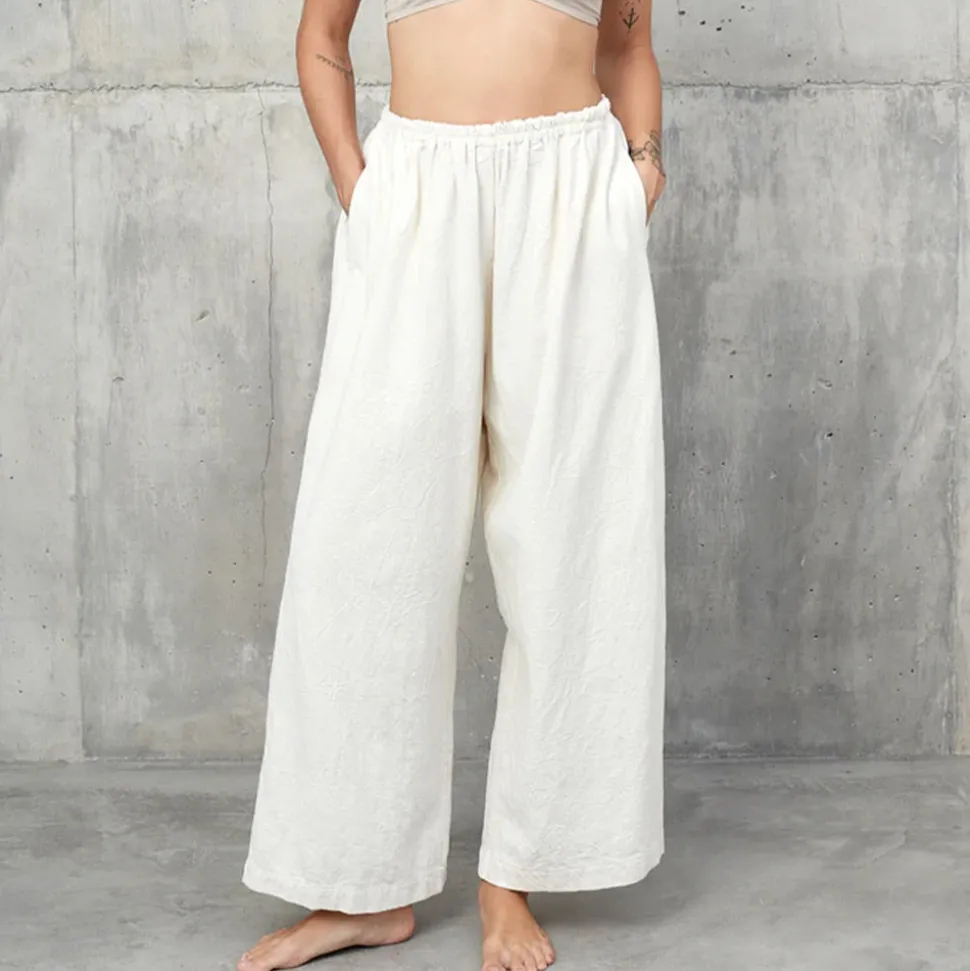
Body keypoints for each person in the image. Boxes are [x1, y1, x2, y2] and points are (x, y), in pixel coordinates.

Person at [238, 0, 666, 968]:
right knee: (368, 546)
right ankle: (359, 885)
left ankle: (514, 874)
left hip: (571, 195)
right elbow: (321, 36)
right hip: (417, 196)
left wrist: (641, 171)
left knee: (573, 537)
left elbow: (629, 43)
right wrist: (360, 189)